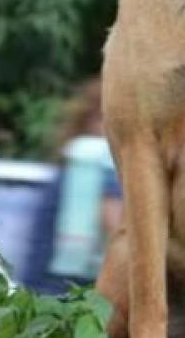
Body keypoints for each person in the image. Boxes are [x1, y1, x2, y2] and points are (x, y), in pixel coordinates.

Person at [22, 78, 123, 294]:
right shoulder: (97, 157)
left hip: (41, 295)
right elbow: (119, 234)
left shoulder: (75, 161)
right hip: (69, 298)